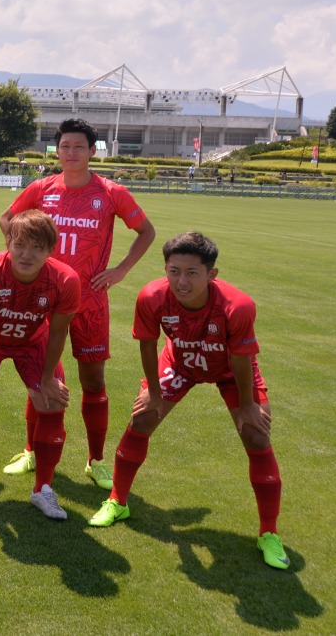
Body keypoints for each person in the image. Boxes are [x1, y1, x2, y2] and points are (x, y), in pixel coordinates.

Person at [88, 232, 290, 571]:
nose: (181, 281)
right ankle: (118, 501)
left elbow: (241, 359)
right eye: (174, 271)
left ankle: (268, 532)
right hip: (180, 363)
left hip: (231, 370)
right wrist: (154, 392)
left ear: (212, 274)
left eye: (192, 273)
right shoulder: (152, 297)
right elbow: (148, 344)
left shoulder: (237, 306)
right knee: (142, 418)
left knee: (256, 434)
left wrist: (247, 406)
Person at [0, 118, 155, 490]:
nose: (71, 152)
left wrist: (120, 270)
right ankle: (31, 451)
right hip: (44, 299)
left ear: (92, 151)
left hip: (90, 299)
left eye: (78, 146)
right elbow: (7, 219)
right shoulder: (41, 189)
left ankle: (95, 461)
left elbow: (146, 232)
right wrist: (24, 259)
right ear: (57, 150)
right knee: (41, 376)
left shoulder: (111, 192)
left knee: (93, 380)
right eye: (65, 146)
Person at [0, 210, 80, 520]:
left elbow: (58, 333)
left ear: (51, 250)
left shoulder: (65, 279)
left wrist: (47, 379)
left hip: (34, 339)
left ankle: (43, 489)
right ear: (8, 242)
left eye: (37, 247)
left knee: (52, 401)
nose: (26, 254)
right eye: (20, 244)